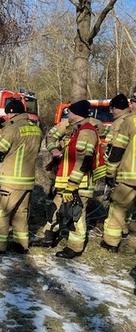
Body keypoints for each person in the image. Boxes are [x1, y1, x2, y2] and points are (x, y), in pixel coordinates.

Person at [35, 100, 104, 259]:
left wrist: (72, 186)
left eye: (70, 112)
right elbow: (53, 139)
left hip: (78, 185)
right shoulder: (76, 129)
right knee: (55, 208)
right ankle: (48, 237)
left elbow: (83, 162)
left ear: (77, 113)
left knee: (76, 215)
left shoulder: (86, 132)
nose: (68, 115)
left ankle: (75, 247)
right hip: (66, 182)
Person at [0, 100, 42, 254]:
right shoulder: (36, 129)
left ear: (11, 112)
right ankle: (21, 245)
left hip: (11, 179)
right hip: (28, 180)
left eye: (8, 113)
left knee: (2, 212)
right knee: (21, 214)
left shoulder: (12, 129)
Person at [101, 106, 136, 252]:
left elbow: (118, 149)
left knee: (118, 208)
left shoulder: (130, 121)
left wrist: (110, 172)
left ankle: (111, 243)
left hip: (131, 175)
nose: (131, 106)